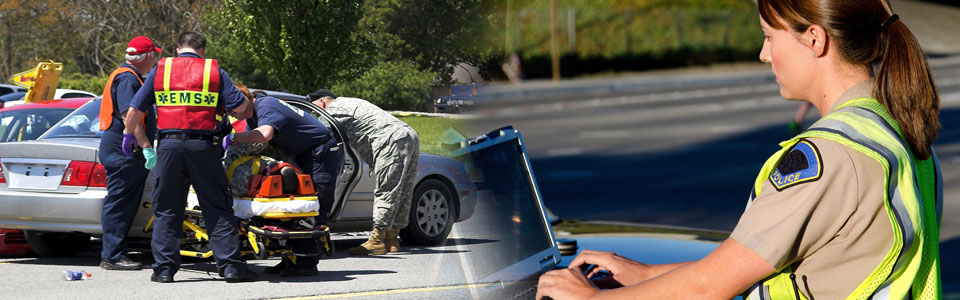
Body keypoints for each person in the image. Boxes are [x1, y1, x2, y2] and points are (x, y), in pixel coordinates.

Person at [536, 0, 942, 299]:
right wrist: (646, 275)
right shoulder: (898, 132)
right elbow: (764, 263)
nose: (763, 53)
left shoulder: (832, 158)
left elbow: (709, 288)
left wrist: (593, 298)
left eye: (769, 37)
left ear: (814, 39)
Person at [122, 31, 255, 283]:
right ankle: (230, 267)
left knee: (167, 209)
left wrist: (129, 135)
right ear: (202, 50)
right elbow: (241, 109)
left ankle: (164, 270)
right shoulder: (214, 72)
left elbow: (134, 108)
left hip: (169, 147)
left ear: (178, 48)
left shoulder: (161, 69)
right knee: (216, 206)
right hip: (203, 147)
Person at [224, 84, 341, 276]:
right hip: (301, 152)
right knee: (291, 206)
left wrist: (232, 138)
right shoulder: (253, 115)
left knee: (311, 205)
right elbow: (257, 146)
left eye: (231, 109)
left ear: (242, 100)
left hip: (319, 152)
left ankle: (306, 263)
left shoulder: (266, 105)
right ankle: (291, 260)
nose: (231, 114)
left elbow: (264, 135)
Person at [309, 89, 420, 255]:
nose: (314, 113)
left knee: (386, 190)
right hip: (408, 135)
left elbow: (317, 133)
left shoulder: (332, 110)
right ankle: (391, 239)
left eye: (314, 108)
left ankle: (377, 241)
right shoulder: (352, 101)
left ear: (322, 102)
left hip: (389, 139)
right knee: (403, 190)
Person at [97, 36, 161, 271]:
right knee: (120, 202)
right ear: (145, 57)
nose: (154, 59)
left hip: (120, 148)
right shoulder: (127, 79)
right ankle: (113, 256)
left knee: (122, 201)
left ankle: (114, 253)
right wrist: (146, 147)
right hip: (124, 149)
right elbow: (129, 117)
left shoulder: (125, 75)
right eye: (153, 55)